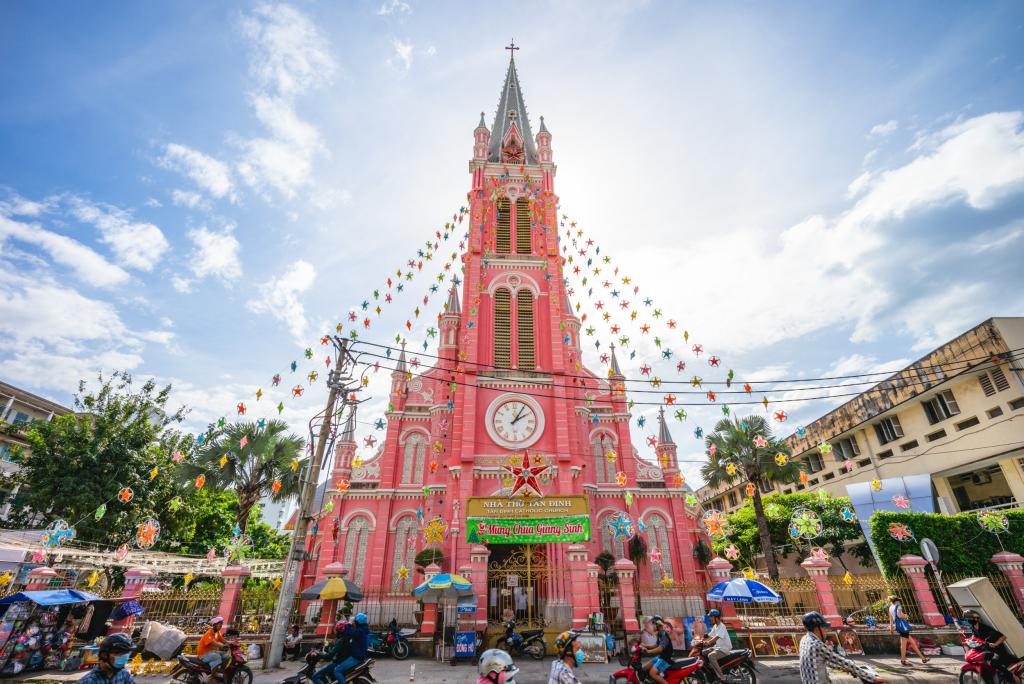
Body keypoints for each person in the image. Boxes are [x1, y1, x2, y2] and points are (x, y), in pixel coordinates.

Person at [800, 612, 885, 684]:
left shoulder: (804, 640)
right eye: (824, 627)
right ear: (816, 629)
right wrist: (872, 678)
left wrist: (843, 668)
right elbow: (842, 661)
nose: (827, 630)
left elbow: (824, 661)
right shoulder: (816, 644)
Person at [963, 609, 1018, 678]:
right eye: (967, 618)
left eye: (970, 618)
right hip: (988, 650)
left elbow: (1003, 637)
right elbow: (975, 638)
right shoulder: (973, 628)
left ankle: (1012, 677)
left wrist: (995, 644)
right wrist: (969, 641)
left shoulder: (985, 628)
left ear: (976, 618)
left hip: (997, 651)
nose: (968, 620)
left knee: (993, 663)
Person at [887, 596, 929, 666]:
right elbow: (899, 615)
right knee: (903, 644)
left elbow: (891, 619)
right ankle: (903, 660)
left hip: (899, 627)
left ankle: (923, 658)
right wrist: (905, 615)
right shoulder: (898, 606)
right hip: (903, 627)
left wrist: (891, 628)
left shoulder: (890, 607)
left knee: (912, 642)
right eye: (899, 601)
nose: (900, 602)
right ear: (897, 601)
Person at [331, 612, 370, 684]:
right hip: (359, 655)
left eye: (355, 621)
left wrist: (349, 623)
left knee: (337, 670)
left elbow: (348, 633)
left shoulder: (360, 631)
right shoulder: (363, 629)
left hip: (357, 657)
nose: (354, 622)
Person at [701, 609, 732, 683]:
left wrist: (709, 642)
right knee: (703, 652)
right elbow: (710, 635)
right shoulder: (716, 626)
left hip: (724, 649)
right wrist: (700, 640)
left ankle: (722, 677)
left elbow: (716, 637)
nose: (710, 619)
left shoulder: (722, 626)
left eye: (711, 617)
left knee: (711, 656)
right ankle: (711, 669)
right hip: (718, 648)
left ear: (716, 617)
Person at [643, 616, 673, 684]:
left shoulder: (664, 635)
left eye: (653, 624)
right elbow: (656, 645)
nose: (652, 626)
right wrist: (646, 646)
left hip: (665, 658)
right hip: (661, 656)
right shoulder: (659, 634)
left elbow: (660, 649)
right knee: (645, 668)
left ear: (657, 625)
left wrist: (648, 651)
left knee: (652, 673)